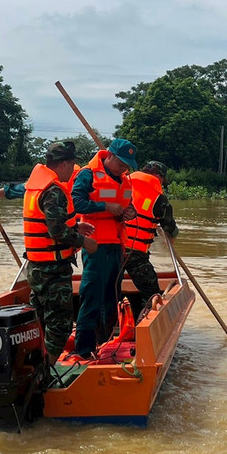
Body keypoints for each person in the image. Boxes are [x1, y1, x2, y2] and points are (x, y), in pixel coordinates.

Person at [21, 141, 95, 358]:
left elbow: (49, 223)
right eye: (72, 165)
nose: (73, 170)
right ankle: (45, 373)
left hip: (36, 267)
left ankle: (36, 364)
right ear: (64, 164)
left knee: (41, 319)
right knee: (60, 326)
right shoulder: (53, 190)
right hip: (52, 270)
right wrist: (83, 241)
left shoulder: (34, 187)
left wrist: (75, 226)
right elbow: (56, 232)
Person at [68, 137, 138, 361]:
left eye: (127, 165)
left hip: (117, 245)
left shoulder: (125, 180)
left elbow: (130, 205)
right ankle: (84, 349)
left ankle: (103, 343)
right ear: (110, 156)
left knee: (111, 299)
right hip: (95, 245)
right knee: (91, 298)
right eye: (121, 163)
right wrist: (105, 206)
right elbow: (76, 202)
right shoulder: (88, 175)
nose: (124, 168)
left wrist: (130, 212)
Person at [123, 160, 179, 317]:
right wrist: (173, 237)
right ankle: (144, 322)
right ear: (158, 177)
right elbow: (169, 227)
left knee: (107, 288)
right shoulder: (159, 199)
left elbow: (104, 198)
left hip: (112, 248)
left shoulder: (122, 183)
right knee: (152, 291)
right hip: (135, 253)